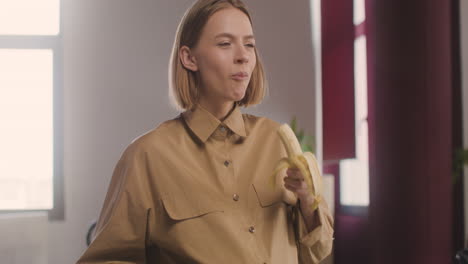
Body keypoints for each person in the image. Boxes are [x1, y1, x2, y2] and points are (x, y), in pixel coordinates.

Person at [76, 0, 333, 263]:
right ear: (189, 58)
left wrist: (307, 201)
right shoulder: (147, 157)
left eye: (249, 44)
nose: (243, 56)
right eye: (225, 43)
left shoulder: (275, 140)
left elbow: (317, 250)